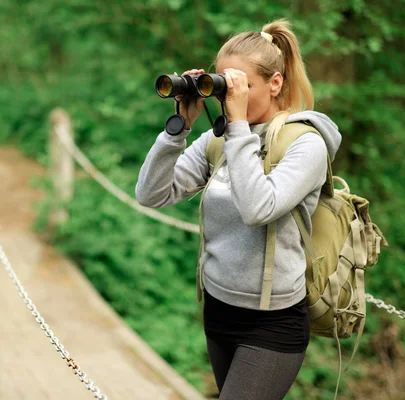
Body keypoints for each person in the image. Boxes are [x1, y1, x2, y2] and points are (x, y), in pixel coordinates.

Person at [135, 19, 342, 400]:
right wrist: (179, 128)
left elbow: (257, 208)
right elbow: (150, 194)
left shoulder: (305, 144)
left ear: (275, 84)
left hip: (272, 325)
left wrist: (239, 126)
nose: (231, 95)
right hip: (218, 311)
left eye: (241, 85)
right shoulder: (221, 141)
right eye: (225, 84)